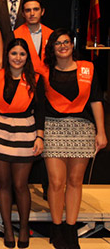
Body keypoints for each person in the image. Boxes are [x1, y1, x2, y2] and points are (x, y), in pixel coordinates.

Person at [41, 30, 107, 249]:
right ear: (52, 48)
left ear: (72, 44)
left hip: (82, 128)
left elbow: (96, 99)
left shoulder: (88, 68)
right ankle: (57, 227)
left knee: (75, 181)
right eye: (58, 43)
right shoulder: (44, 71)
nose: (62, 46)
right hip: (53, 128)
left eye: (66, 42)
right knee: (57, 182)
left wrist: (101, 131)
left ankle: (71, 228)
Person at [0, 38, 44, 249]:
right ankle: (8, 229)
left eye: (22, 54)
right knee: (3, 183)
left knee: (20, 185)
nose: (17, 58)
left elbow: (40, 110)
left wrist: (40, 136)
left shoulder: (35, 79)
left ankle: (24, 227)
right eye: (13, 53)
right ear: (7, 55)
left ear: (27, 57)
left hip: (25, 133)